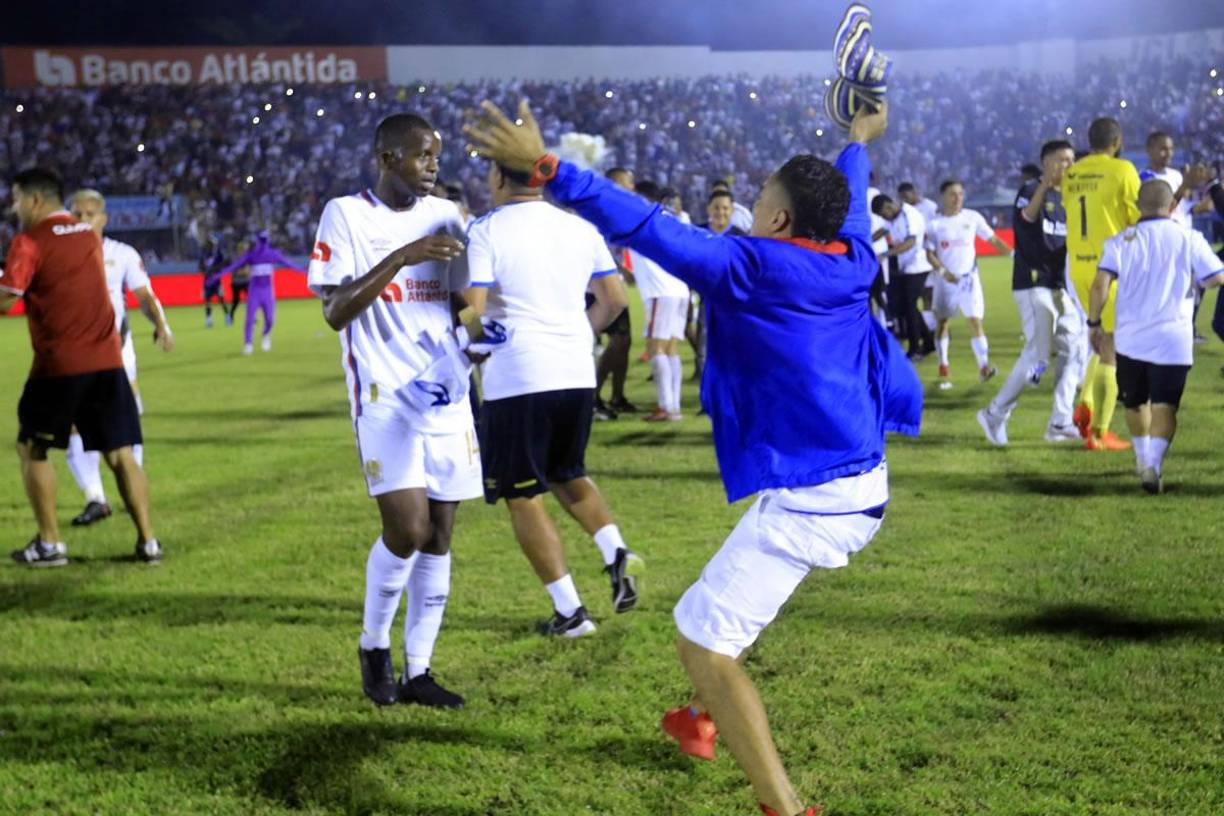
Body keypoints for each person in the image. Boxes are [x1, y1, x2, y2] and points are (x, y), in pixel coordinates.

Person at [466, 97, 919, 816]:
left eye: (758, 199)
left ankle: (786, 806)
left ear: (776, 222)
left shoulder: (750, 265)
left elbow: (645, 226)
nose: (746, 206)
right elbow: (853, 193)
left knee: (701, 643)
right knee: (722, 609)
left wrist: (550, 167)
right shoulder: (851, 255)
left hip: (815, 499)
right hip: (851, 483)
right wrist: (859, 137)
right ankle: (704, 717)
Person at [308, 113, 479, 708]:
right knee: (407, 528)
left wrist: (485, 330)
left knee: (440, 536)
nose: (434, 165)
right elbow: (335, 310)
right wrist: (403, 256)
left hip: (446, 396)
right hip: (383, 396)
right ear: (387, 159)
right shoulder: (347, 214)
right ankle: (373, 644)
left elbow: (466, 300)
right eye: (422, 156)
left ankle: (420, 671)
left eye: (437, 156)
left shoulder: (450, 217)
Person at [466, 156, 644, 636]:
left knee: (522, 495)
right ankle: (614, 549)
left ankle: (569, 613)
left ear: (499, 177)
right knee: (569, 473)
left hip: (520, 375)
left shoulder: (486, 230)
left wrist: (470, 340)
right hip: (575, 370)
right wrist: (573, 334)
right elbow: (615, 301)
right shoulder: (579, 229)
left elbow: (474, 309)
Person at [1, 168, 163, 565]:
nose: (14, 206)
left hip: (60, 365)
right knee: (120, 453)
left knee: (33, 447)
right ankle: (148, 543)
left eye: (17, 198)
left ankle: (50, 544)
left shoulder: (30, 241)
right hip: (108, 362)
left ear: (35, 200)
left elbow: (7, 299)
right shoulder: (88, 238)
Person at [1088, 179, 1224, 492]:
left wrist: (1093, 324)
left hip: (1131, 338)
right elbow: (1216, 277)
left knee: (1135, 404)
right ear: (1173, 205)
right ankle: (1154, 464)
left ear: (1137, 206)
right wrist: (1196, 282)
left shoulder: (1120, 241)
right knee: (1165, 406)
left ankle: (1141, 458)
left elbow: (1100, 285)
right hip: (1173, 338)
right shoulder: (1189, 238)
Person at [64, 189, 174, 526]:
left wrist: (160, 325)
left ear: (103, 218)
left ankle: (133, 491)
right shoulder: (60, 255)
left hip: (116, 352)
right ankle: (96, 498)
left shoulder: (121, 254)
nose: (82, 220)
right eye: (76, 214)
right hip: (74, 354)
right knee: (74, 429)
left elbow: (143, 294)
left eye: (88, 214)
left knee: (125, 426)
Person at [978, 141, 1084, 445]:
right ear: (1046, 162)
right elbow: (1026, 218)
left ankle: (1060, 421)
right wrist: (1044, 186)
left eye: (1071, 159)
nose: (1068, 165)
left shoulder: (1071, 197)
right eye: (1062, 160)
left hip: (1057, 286)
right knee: (1038, 352)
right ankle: (995, 413)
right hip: (1032, 284)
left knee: (1072, 349)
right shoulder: (1031, 189)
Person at [1062, 117, 1140, 451]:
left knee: (1102, 339)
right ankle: (1100, 431)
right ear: (1117, 140)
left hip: (1078, 267)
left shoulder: (1072, 173)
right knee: (1113, 349)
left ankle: (1085, 406)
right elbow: (1140, 217)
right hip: (1110, 267)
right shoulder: (1123, 170)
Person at [924, 180, 1012, 388]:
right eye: (953, 194)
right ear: (943, 196)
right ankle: (943, 364)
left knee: (975, 321)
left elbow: (993, 240)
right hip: (946, 281)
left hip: (969, 279)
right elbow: (929, 254)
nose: (958, 199)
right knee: (943, 323)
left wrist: (1015, 255)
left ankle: (984, 366)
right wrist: (944, 273)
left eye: (961, 194)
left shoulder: (972, 218)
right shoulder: (935, 224)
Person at [632, 180, 691, 422]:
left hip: (661, 291)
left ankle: (666, 407)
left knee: (655, 348)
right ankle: (674, 405)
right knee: (671, 348)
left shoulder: (643, 220)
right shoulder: (671, 219)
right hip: (679, 290)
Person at [593, 167, 638, 418]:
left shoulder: (620, 212)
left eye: (630, 184)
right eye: (624, 184)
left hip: (615, 283)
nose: (630, 188)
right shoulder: (597, 212)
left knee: (625, 342)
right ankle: (593, 396)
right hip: (597, 287)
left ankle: (617, 396)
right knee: (616, 340)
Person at [221, 230, 304, 355]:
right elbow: (234, 266)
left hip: (267, 291)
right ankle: (248, 343)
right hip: (254, 290)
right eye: (262, 240)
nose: (264, 243)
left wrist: (305, 272)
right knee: (250, 318)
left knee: (270, 319)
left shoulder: (272, 254)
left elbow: (289, 264)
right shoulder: (252, 255)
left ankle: (265, 335)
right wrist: (218, 275)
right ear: (258, 240)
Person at [872, 193, 934, 358]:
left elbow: (911, 242)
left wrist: (886, 254)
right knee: (907, 306)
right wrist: (867, 241)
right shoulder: (893, 217)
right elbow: (884, 230)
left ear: (888, 206)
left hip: (918, 266)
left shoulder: (909, 214)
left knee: (909, 307)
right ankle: (928, 342)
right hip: (905, 268)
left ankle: (915, 348)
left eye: (883, 214)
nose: (884, 217)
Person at [199, 236, 229, 328]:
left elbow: (225, 263)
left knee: (221, 300)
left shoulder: (218, 254)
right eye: (210, 244)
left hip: (216, 281)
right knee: (208, 301)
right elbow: (200, 267)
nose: (211, 246)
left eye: (212, 244)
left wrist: (216, 269)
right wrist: (205, 270)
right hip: (207, 282)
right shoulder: (204, 255)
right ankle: (209, 319)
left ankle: (227, 317)